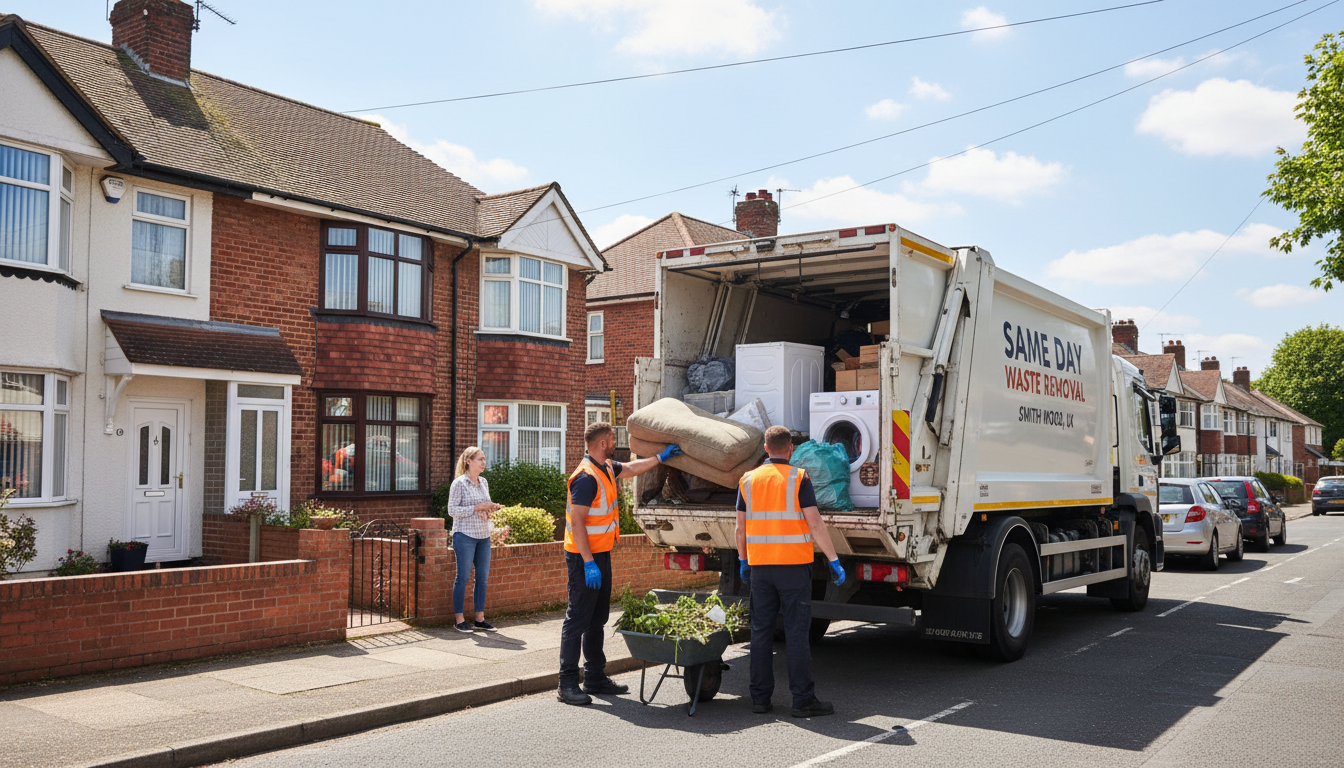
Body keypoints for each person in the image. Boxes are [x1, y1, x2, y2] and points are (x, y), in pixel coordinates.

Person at [558, 422, 681, 705]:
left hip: (600, 555)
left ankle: (594, 677)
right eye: (613, 439)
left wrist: (660, 458)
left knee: (597, 619)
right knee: (577, 620)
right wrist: (588, 563)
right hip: (583, 558)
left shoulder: (606, 467)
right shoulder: (586, 478)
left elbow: (632, 468)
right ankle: (567, 684)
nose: (616, 442)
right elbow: (577, 523)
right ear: (603, 443)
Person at [735, 425, 845, 718]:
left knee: (760, 633)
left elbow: (740, 529)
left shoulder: (747, 480)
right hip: (794, 569)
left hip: (760, 569)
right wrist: (833, 559)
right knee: (796, 633)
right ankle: (802, 700)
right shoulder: (799, 478)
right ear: (791, 449)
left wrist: (744, 560)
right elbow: (815, 522)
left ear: (766, 449)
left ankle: (760, 700)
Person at [446, 446, 502, 633]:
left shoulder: (484, 482)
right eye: (480, 459)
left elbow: (484, 505)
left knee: (482, 579)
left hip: (483, 536)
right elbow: (452, 510)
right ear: (468, 461)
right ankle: (459, 620)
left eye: (484, 459)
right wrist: (477, 508)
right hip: (464, 536)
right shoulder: (459, 483)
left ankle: (480, 619)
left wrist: (490, 509)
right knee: (462, 578)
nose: (484, 462)